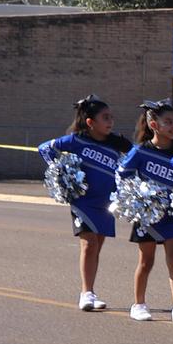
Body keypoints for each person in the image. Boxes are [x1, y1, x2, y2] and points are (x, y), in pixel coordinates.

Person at [39, 95, 133, 312]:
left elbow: (139, 156)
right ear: (90, 122)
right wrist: (63, 173)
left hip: (107, 202)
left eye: (111, 117)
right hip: (84, 201)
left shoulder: (116, 142)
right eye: (105, 118)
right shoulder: (76, 140)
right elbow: (45, 148)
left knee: (96, 246)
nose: (110, 122)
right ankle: (86, 293)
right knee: (89, 244)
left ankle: (90, 290)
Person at [118, 99, 173, 324]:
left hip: (172, 214)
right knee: (146, 260)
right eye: (168, 122)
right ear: (153, 125)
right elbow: (122, 175)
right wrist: (138, 196)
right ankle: (139, 304)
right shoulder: (141, 151)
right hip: (147, 215)